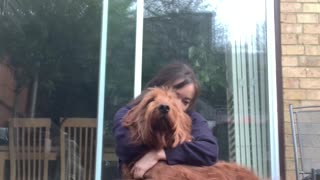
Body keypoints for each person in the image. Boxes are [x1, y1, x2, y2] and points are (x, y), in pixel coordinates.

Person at [113, 62, 219, 179]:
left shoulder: (193, 119)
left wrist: (161, 154)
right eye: (173, 95)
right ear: (158, 86)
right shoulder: (128, 113)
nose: (176, 104)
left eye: (185, 102)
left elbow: (209, 151)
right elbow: (126, 146)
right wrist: (186, 151)